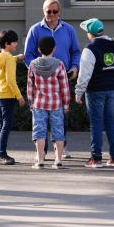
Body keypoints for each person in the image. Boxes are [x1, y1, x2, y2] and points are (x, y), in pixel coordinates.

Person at [24, 0, 81, 158]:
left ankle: (61, 147)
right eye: (49, 11)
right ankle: (41, 151)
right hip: (41, 83)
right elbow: (28, 55)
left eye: (55, 11)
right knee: (40, 119)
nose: (52, 15)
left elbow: (75, 52)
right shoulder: (35, 30)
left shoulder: (68, 29)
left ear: (59, 11)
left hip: (62, 79)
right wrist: (37, 71)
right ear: (44, 12)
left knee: (62, 114)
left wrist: (75, 67)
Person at [75, 18, 114, 168]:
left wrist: (78, 93)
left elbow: (84, 75)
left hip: (95, 90)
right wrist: (109, 79)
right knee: (110, 122)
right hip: (111, 89)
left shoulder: (89, 50)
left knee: (96, 123)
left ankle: (96, 158)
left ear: (91, 34)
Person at [27, 36, 70, 170]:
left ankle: (40, 160)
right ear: (54, 48)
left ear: (39, 49)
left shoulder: (33, 65)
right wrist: (66, 104)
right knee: (58, 131)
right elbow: (64, 87)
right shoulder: (59, 64)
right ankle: (58, 160)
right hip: (56, 104)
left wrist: (31, 103)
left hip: (39, 103)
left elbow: (30, 87)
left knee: (39, 131)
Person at [0, 29, 25, 165]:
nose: (16, 44)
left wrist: (16, 58)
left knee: (1, 124)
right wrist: (20, 97)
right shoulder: (9, 58)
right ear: (7, 44)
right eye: (14, 42)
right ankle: (2, 154)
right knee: (6, 125)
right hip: (8, 95)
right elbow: (11, 80)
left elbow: (7, 61)